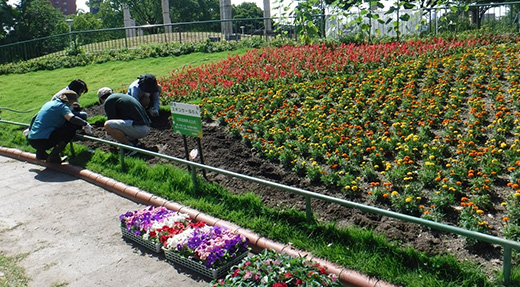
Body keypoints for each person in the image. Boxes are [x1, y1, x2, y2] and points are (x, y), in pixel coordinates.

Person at [27, 91, 92, 164]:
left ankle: (40, 153)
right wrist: (85, 124)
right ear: (69, 102)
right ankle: (53, 156)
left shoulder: (49, 104)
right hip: (43, 141)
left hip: (32, 139)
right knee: (70, 130)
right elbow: (72, 119)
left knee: (51, 129)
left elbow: (34, 118)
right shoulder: (62, 107)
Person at [98, 87, 151, 151]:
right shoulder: (119, 97)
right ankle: (133, 141)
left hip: (140, 128)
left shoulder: (108, 101)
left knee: (108, 125)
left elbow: (111, 121)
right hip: (146, 126)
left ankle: (129, 147)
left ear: (101, 99)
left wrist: (109, 136)